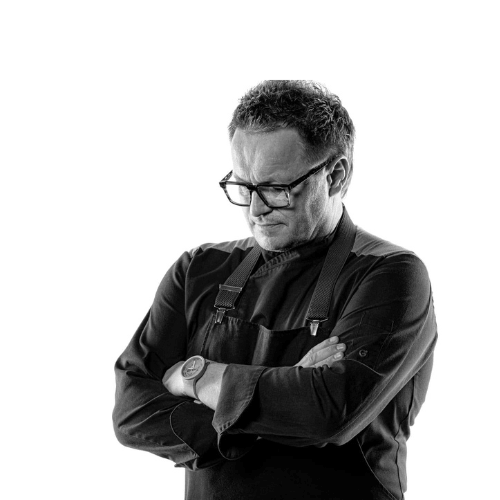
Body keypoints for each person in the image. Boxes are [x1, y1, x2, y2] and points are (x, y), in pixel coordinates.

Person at [113, 80, 437, 500]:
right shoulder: (197, 270)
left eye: (276, 189)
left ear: (336, 175)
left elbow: (328, 412)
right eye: (243, 186)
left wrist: (194, 377)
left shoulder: (392, 275)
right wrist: (278, 402)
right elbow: (132, 412)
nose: (255, 209)